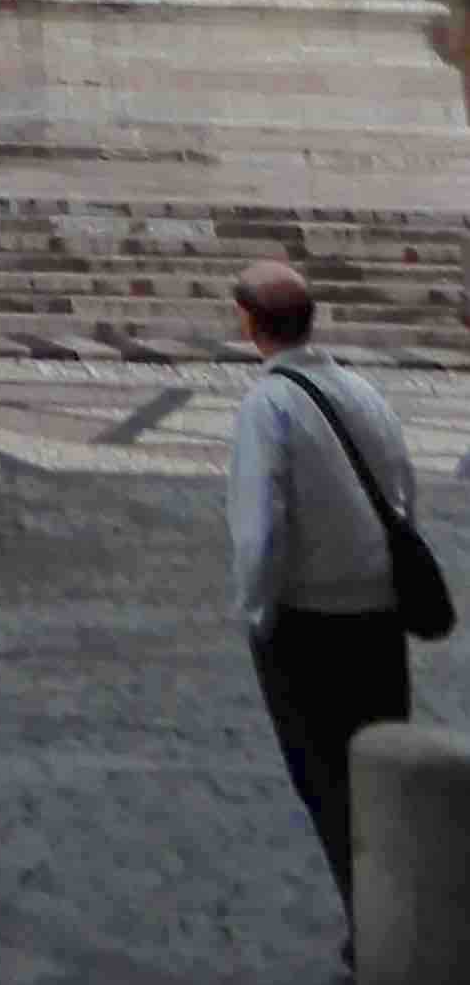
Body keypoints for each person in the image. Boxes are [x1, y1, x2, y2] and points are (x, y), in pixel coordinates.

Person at [228, 254, 419, 953]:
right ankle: (394, 910)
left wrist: (256, 611)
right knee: (377, 775)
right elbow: (401, 492)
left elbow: (260, 529)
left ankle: (373, 928)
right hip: (378, 614)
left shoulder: (267, 406)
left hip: (306, 622)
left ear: (247, 323)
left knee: (326, 778)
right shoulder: (363, 391)